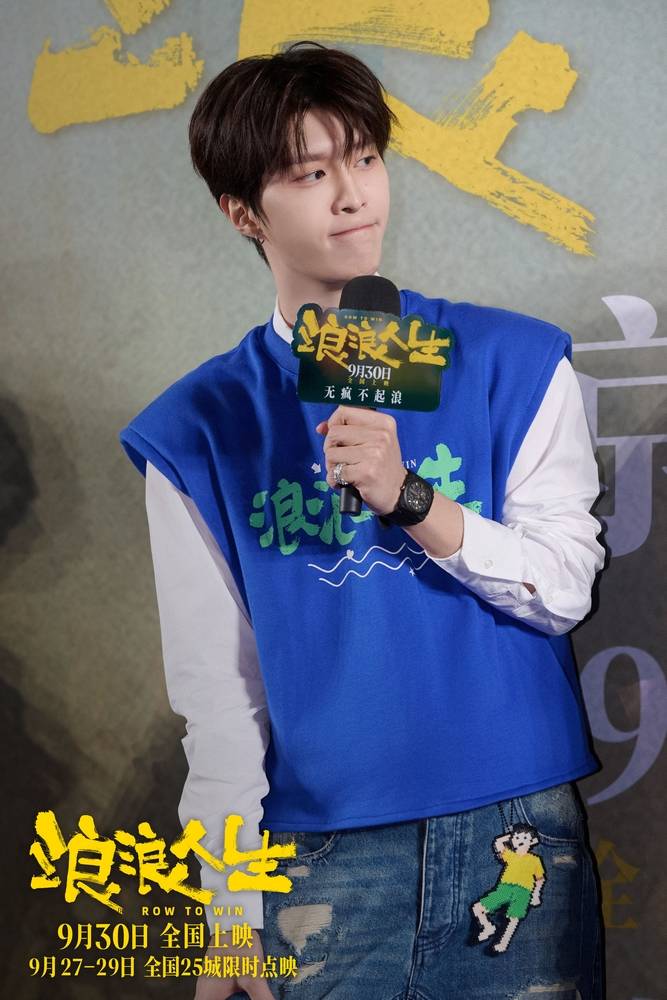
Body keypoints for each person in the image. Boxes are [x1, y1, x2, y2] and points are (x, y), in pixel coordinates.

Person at [119, 40, 607, 1000]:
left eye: (366, 159)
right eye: (310, 174)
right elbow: (219, 694)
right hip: (321, 857)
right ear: (242, 211)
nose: (352, 196)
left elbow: (563, 588)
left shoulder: (510, 362)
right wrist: (227, 907)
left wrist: (412, 500)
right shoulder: (196, 427)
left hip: (513, 831)